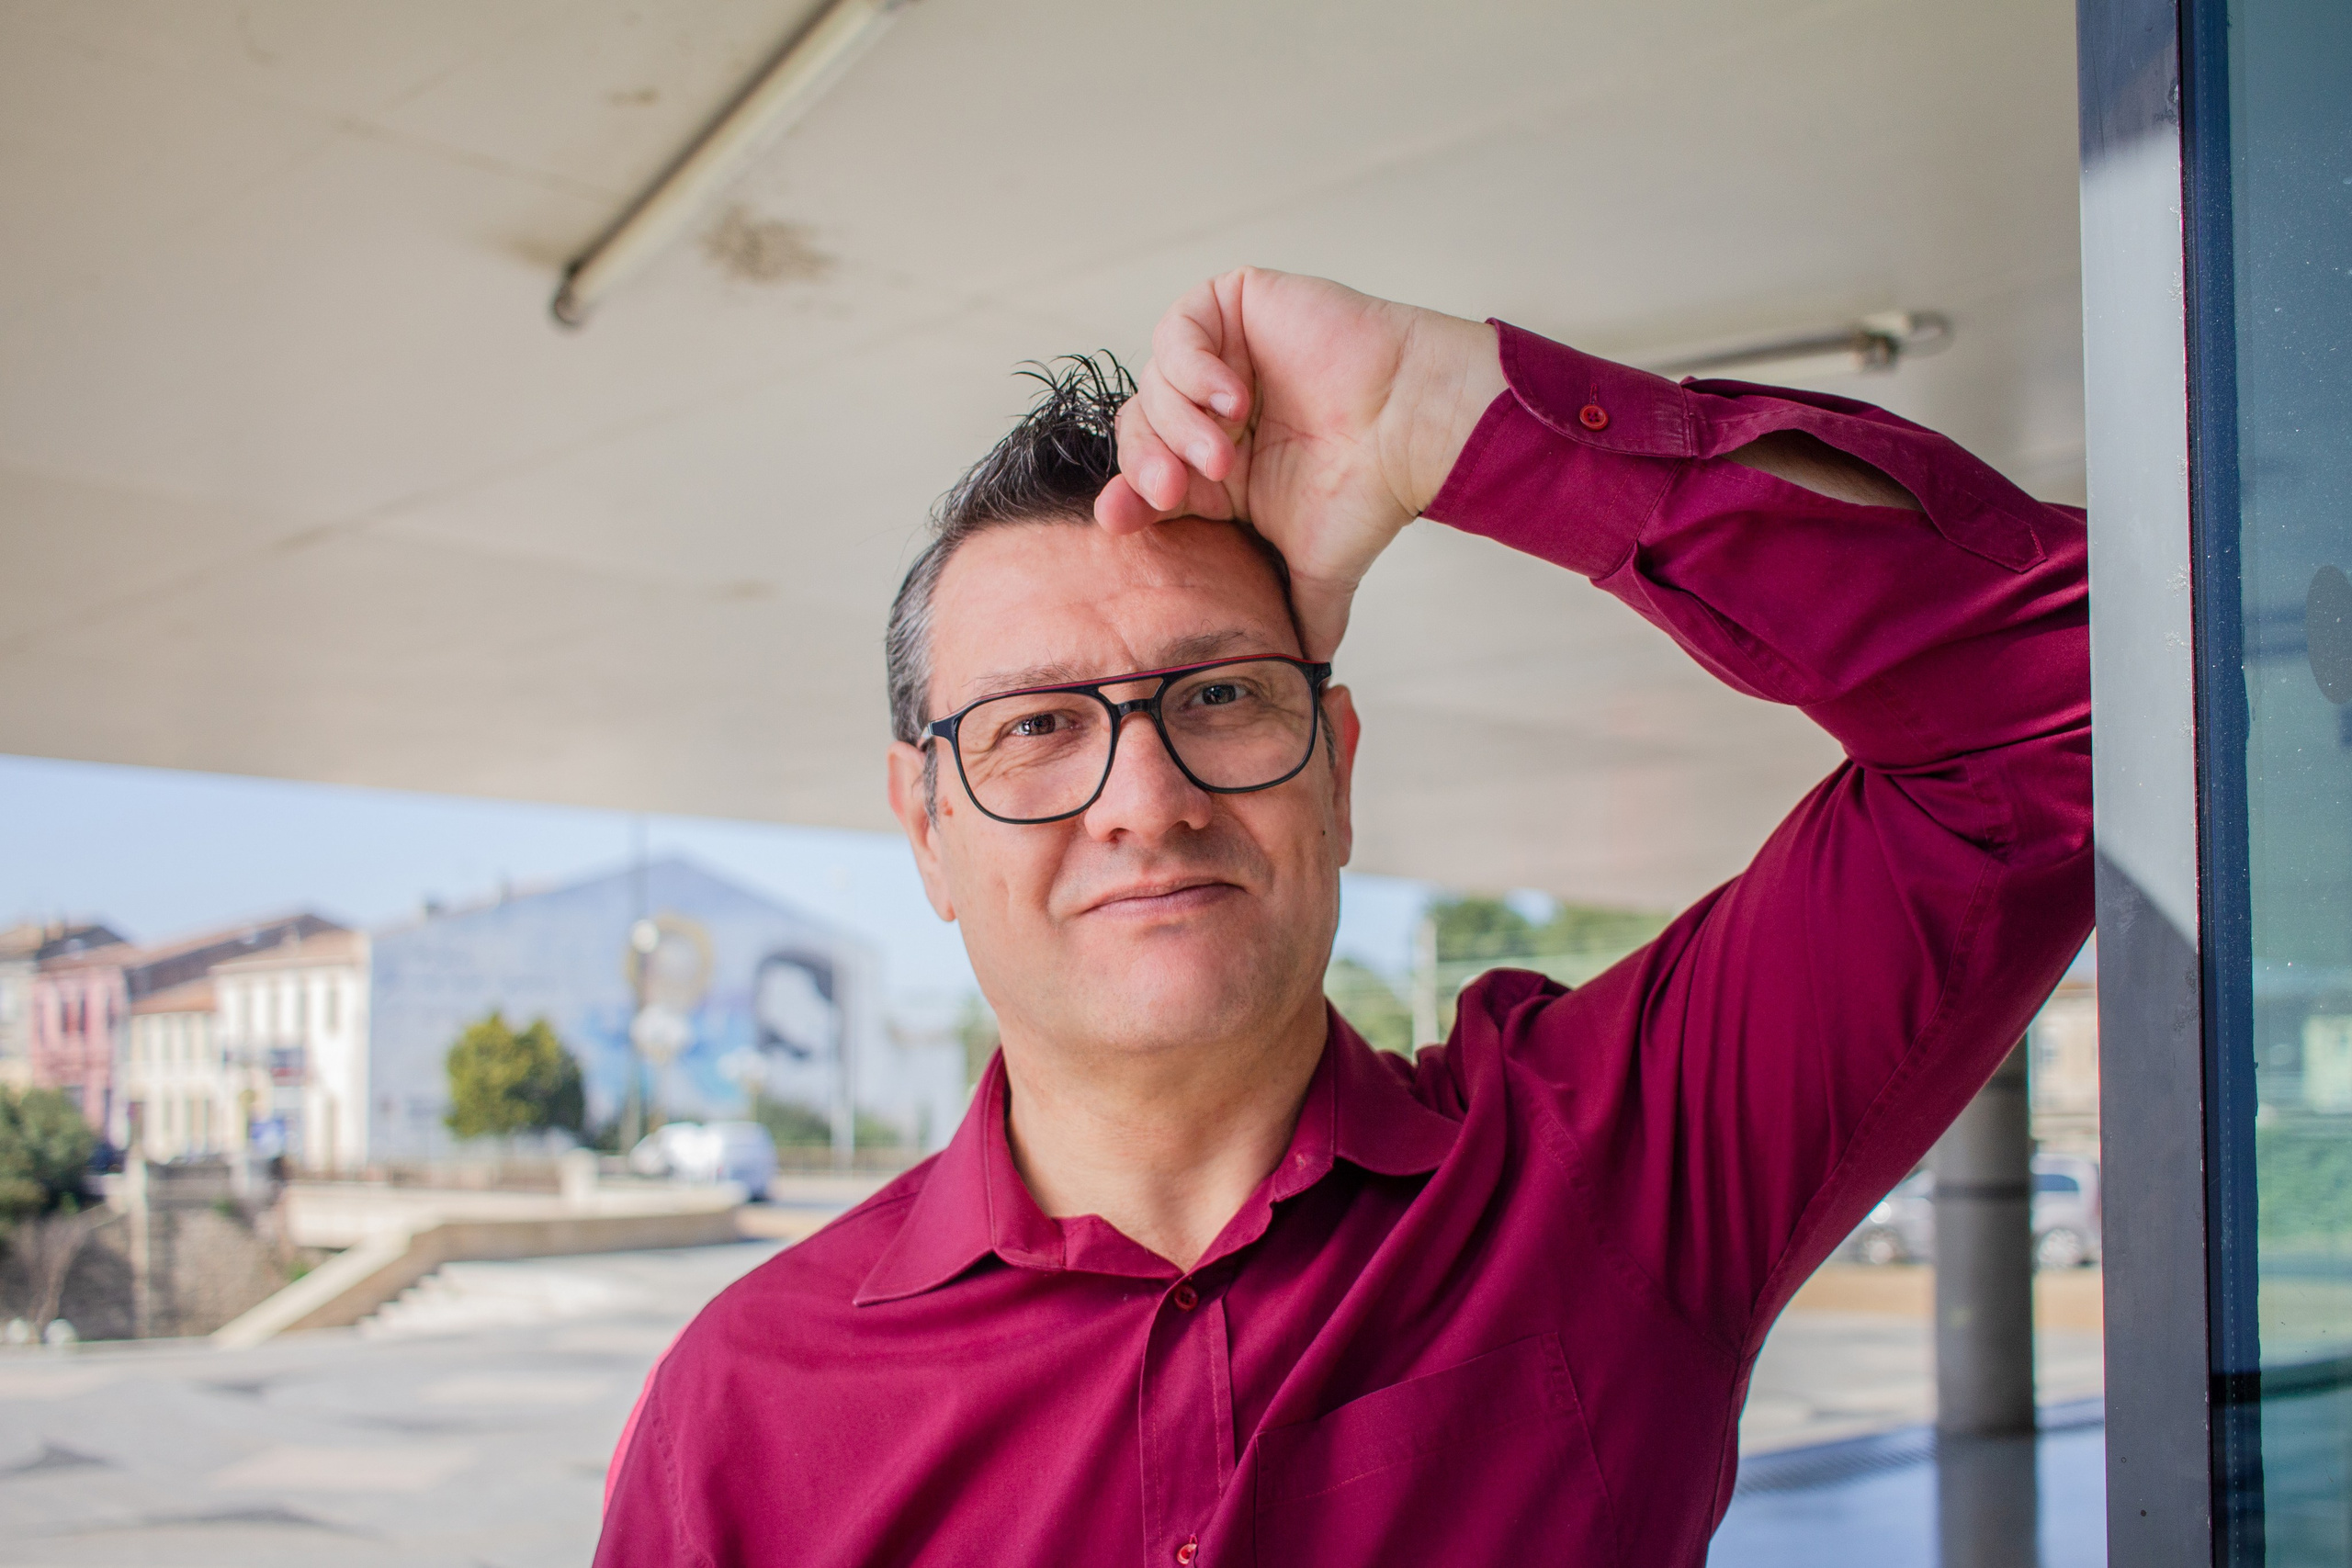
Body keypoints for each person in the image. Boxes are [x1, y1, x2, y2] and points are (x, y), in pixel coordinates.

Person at [594, 269, 2090, 1566]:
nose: (1148, 802)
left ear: (1339, 768)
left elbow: (2069, 711)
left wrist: (1447, 412)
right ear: (928, 825)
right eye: (1038, 726)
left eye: (1221, 696)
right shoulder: (744, 1407)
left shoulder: (1614, 1172)